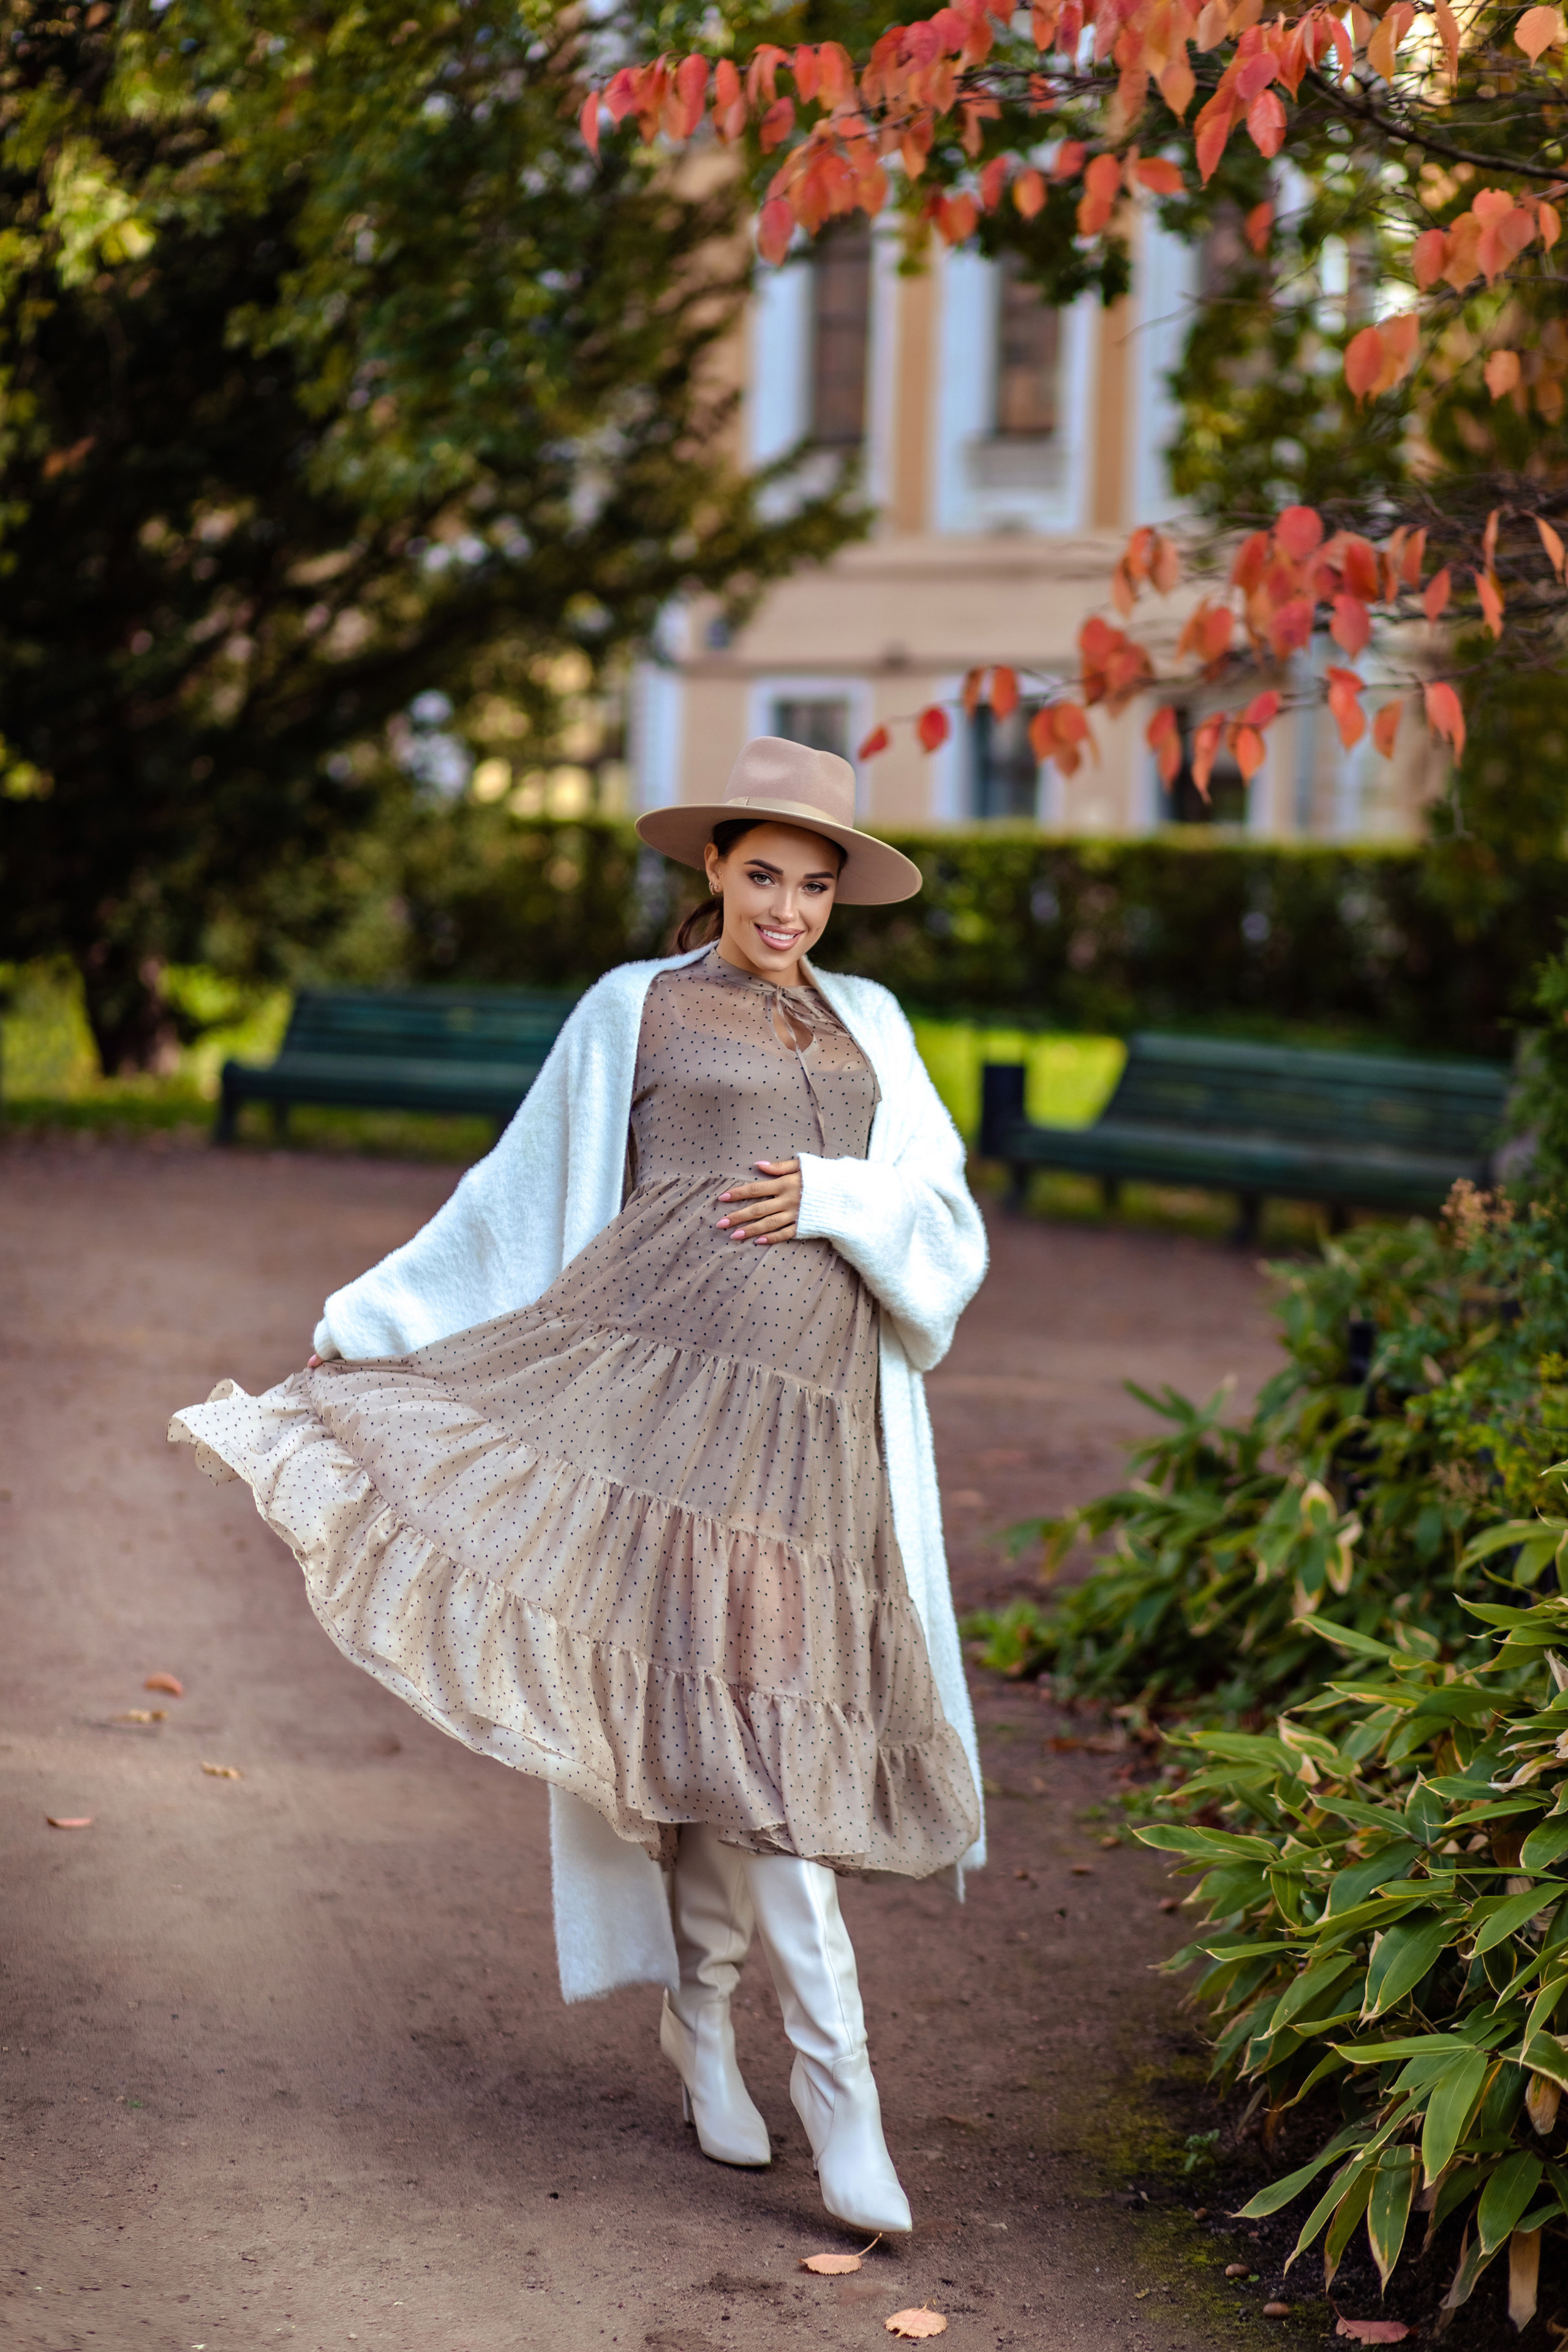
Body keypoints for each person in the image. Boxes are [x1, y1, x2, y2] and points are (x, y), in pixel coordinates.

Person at [171, 736, 987, 2236]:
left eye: (814, 887)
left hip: (811, 1442)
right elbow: (515, 1190)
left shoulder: (871, 1022)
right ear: (712, 867)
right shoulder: (635, 1006)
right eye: (762, 876)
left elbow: (943, 1220)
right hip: (654, 1416)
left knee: (758, 1741)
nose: (787, 909)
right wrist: (373, 1320)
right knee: (725, 1742)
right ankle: (830, 2099)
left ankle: (719, 2030)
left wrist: (835, 1196)